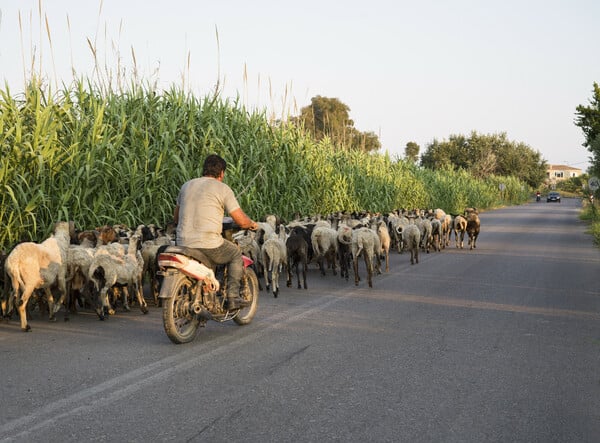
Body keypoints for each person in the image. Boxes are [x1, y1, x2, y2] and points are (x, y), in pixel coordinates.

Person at [173, 154, 258, 309]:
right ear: (222, 173)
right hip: (208, 244)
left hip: (183, 242)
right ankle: (232, 297)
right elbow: (240, 220)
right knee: (235, 254)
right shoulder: (223, 189)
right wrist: (251, 224)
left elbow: (176, 217)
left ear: (204, 170)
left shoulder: (186, 185)